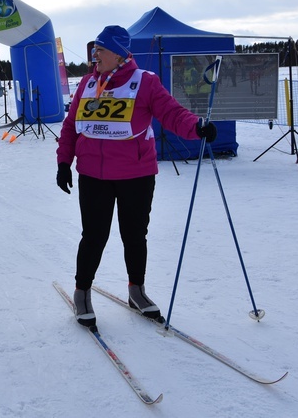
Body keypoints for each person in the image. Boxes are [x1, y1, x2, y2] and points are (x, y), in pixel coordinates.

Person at [55, 25, 217, 328]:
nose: (95, 55)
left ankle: (136, 291)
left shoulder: (145, 83)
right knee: (93, 237)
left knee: (134, 236)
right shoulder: (88, 84)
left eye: (100, 50)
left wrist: (196, 127)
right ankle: (82, 292)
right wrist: (64, 162)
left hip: (136, 175)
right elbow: (70, 126)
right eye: (95, 50)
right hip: (93, 175)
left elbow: (172, 113)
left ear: (119, 54)